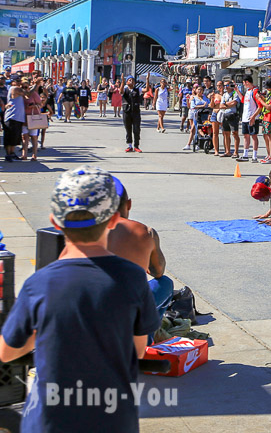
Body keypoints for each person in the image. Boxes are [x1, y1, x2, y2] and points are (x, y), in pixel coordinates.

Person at [0, 166, 159, 432]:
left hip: (50, 420)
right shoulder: (132, 277)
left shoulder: (40, 283)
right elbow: (138, 351)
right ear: (112, 220)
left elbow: (7, 352)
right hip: (114, 418)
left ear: (54, 221)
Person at [107, 177, 174, 319]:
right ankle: (148, 334)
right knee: (165, 283)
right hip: (127, 311)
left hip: (90, 313)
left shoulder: (83, 231)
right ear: (129, 204)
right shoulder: (145, 232)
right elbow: (158, 272)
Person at [3, 77, 25, 162]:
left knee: (15, 137)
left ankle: (12, 153)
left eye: (20, 81)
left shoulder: (17, 88)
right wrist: (36, 85)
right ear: (13, 82)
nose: (20, 83)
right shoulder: (14, 88)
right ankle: (8, 154)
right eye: (18, 81)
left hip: (17, 117)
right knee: (9, 137)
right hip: (12, 117)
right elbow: (27, 93)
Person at [240, 75, 260, 162]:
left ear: (247, 82)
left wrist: (253, 116)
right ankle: (245, 154)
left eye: (244, 83)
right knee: (245, 135)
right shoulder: (248, 91)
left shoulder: (255, 91)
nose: (244, 85)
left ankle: (254, 155)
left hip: (252, 117)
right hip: (245, 117)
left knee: (254, 136)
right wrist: (237, 91)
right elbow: (243, 100)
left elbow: (260, 106)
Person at [219, 80, 242, 158]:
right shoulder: (224, 94)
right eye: (224, 85)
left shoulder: (235, 93)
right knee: (226, 134)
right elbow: (221, 106)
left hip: (233, 115)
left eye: (227, 85)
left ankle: (236, 152)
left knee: (235, 133)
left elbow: (234, 103)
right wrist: (228, 104)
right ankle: (227, 151)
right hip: (225, 115)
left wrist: (225, 104)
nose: (226, 87)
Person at [183, 85, 209, 151]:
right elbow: (193, 106)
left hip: (204, 114)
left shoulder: (205, 98)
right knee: (194, 128)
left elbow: (208, 104)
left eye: (201, 90)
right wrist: (202, 105)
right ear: (196, 90)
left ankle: (203, 142)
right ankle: (189, 144)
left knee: (205, 127)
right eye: (198, 89)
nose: (200, 91)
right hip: (196, 114)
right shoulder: (193, 98)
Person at [121, 76, 143, 152]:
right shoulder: (124, 89)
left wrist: (147, 80)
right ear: (127, 82)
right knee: (128, 128)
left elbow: (146, 90)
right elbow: (121, 92)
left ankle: (136, 146)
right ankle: (129, 145)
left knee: (136, 129)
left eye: (132, 80)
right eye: (129, 80)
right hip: (127, 111)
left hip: (136, 112)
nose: (131, 81)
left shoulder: (138, 90)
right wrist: (122, 82)